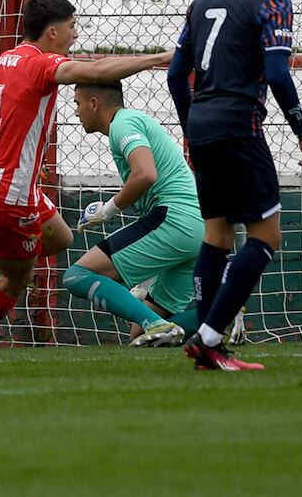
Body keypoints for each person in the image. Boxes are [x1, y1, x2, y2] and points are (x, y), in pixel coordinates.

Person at [0, 0, 171, 350]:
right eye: (72, 26)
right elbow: (95, 71)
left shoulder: (0, 64)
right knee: (17, 278)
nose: (76, 33)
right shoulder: (42, 65)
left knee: (61, 238)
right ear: (53, 32)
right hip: (9, 196)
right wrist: (162, 57)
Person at [168, 0, 302, 371]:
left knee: (217, 233)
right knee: (265, 236)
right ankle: (211, 336)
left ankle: (207, 343)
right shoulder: (273, 2)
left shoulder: (202, 1)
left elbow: (177, 75)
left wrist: (192, 127)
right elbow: (276, 73)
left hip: (203, 127)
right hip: (240, 126)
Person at [63, 81, 203, 347]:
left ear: (94, 103)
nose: (76, 112)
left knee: (77, 275)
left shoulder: (123, 124)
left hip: (175, 219)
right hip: (196, 227)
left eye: (77, 103)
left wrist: (108, 210)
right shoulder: (133, 121)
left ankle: (157, 323)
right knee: (140, 336)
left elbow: (145, 174)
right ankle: (221, 316)